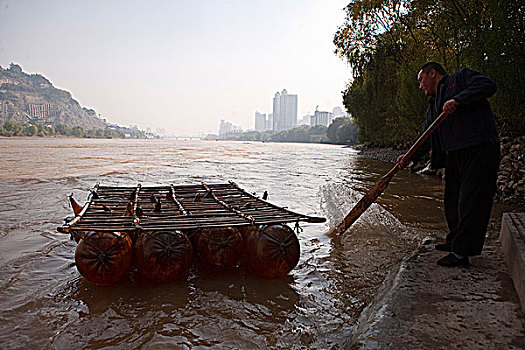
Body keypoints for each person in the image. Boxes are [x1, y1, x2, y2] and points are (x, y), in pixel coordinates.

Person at [397, 62, 500, 267]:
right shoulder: (433, 105)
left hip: (479, 148)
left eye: (421, 80)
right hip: (454, 154)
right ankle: (455, 241)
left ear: (432, 73)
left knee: (471, 201)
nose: (420, 86)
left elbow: (488, 85)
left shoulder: (460, 79)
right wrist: (410, 156)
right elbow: (427, 135)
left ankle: (461, 254)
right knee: (451, 202)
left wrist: (458, 99)